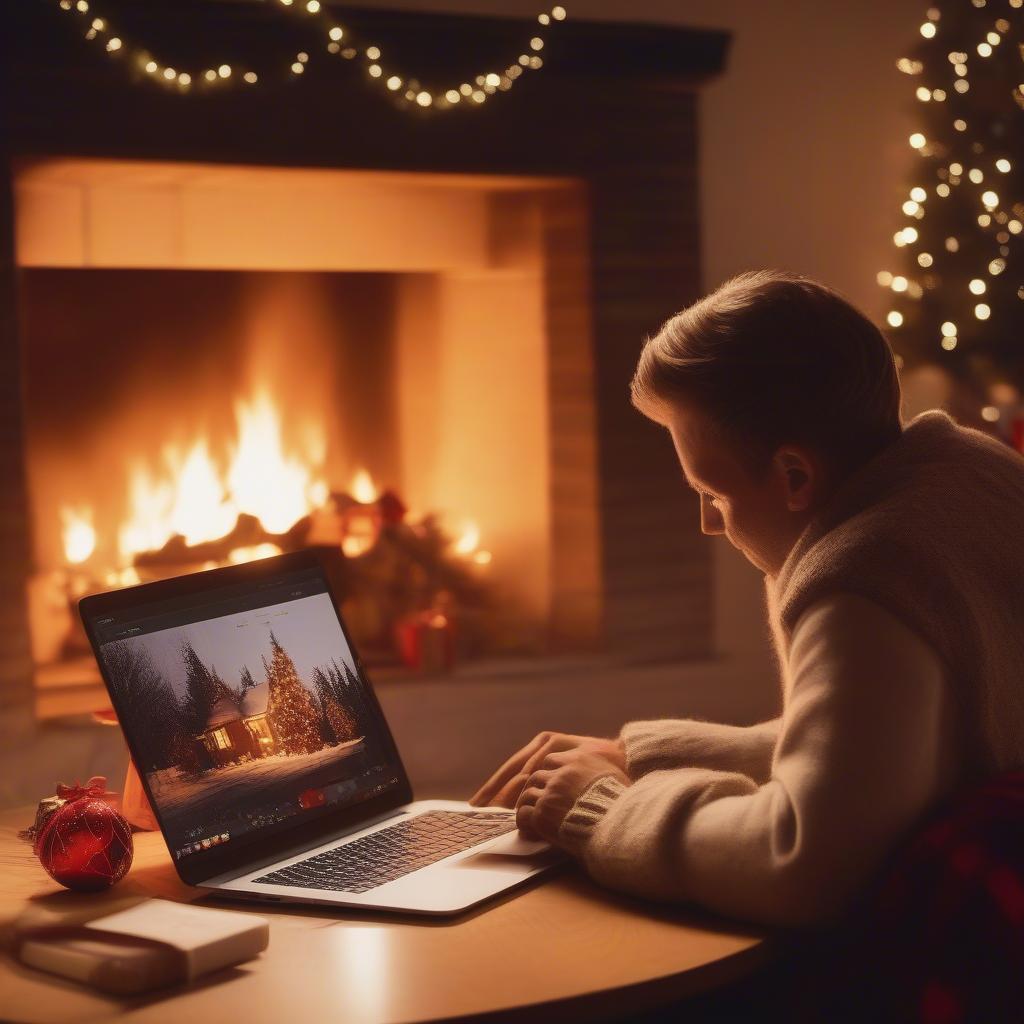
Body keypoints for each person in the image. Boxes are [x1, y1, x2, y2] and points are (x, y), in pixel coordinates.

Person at [470, 269, 1024, 928]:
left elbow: (800, 860)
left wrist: (602, 811)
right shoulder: (971, 477)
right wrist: (638, 755)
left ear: (794, 475)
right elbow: (871, 757)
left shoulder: (864, 586)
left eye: (714, 494)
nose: (709, 522)